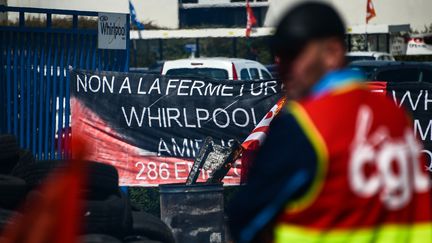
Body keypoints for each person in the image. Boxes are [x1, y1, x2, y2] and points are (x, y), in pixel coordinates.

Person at [227, 2, 432, 243]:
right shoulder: (396, 116)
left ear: (332, 52)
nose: (283, 68)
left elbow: (245, 219)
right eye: (279, 57)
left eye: (294, 54)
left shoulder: (306, 124)